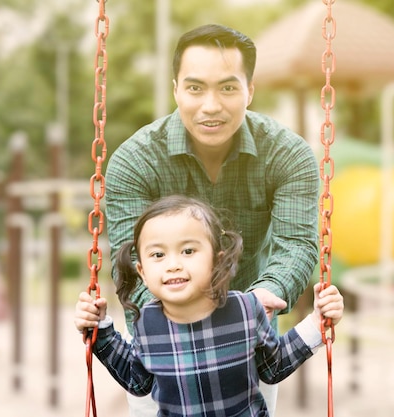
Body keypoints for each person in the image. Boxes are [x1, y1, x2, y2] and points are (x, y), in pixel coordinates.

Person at [104, 24, 321, 415]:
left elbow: (297, 244)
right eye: (195, 88)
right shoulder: (134, 162)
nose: (210, 105)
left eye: (227, 87)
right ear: (175, 89)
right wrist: (170, 318)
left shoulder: (288, 155)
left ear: (249, 91)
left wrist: (262, 298)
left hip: (251, 325)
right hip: (160, 332)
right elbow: (128, 262)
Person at [75, 195, 343, 417]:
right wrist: (100, 329)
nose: (173, 264)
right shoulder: (148, 322)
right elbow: (137, 380)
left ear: (216, 259)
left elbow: (273, 367)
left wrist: (316, 324)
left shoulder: (246, 310)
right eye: (158, 254)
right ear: (142, 272)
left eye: (188, 251)